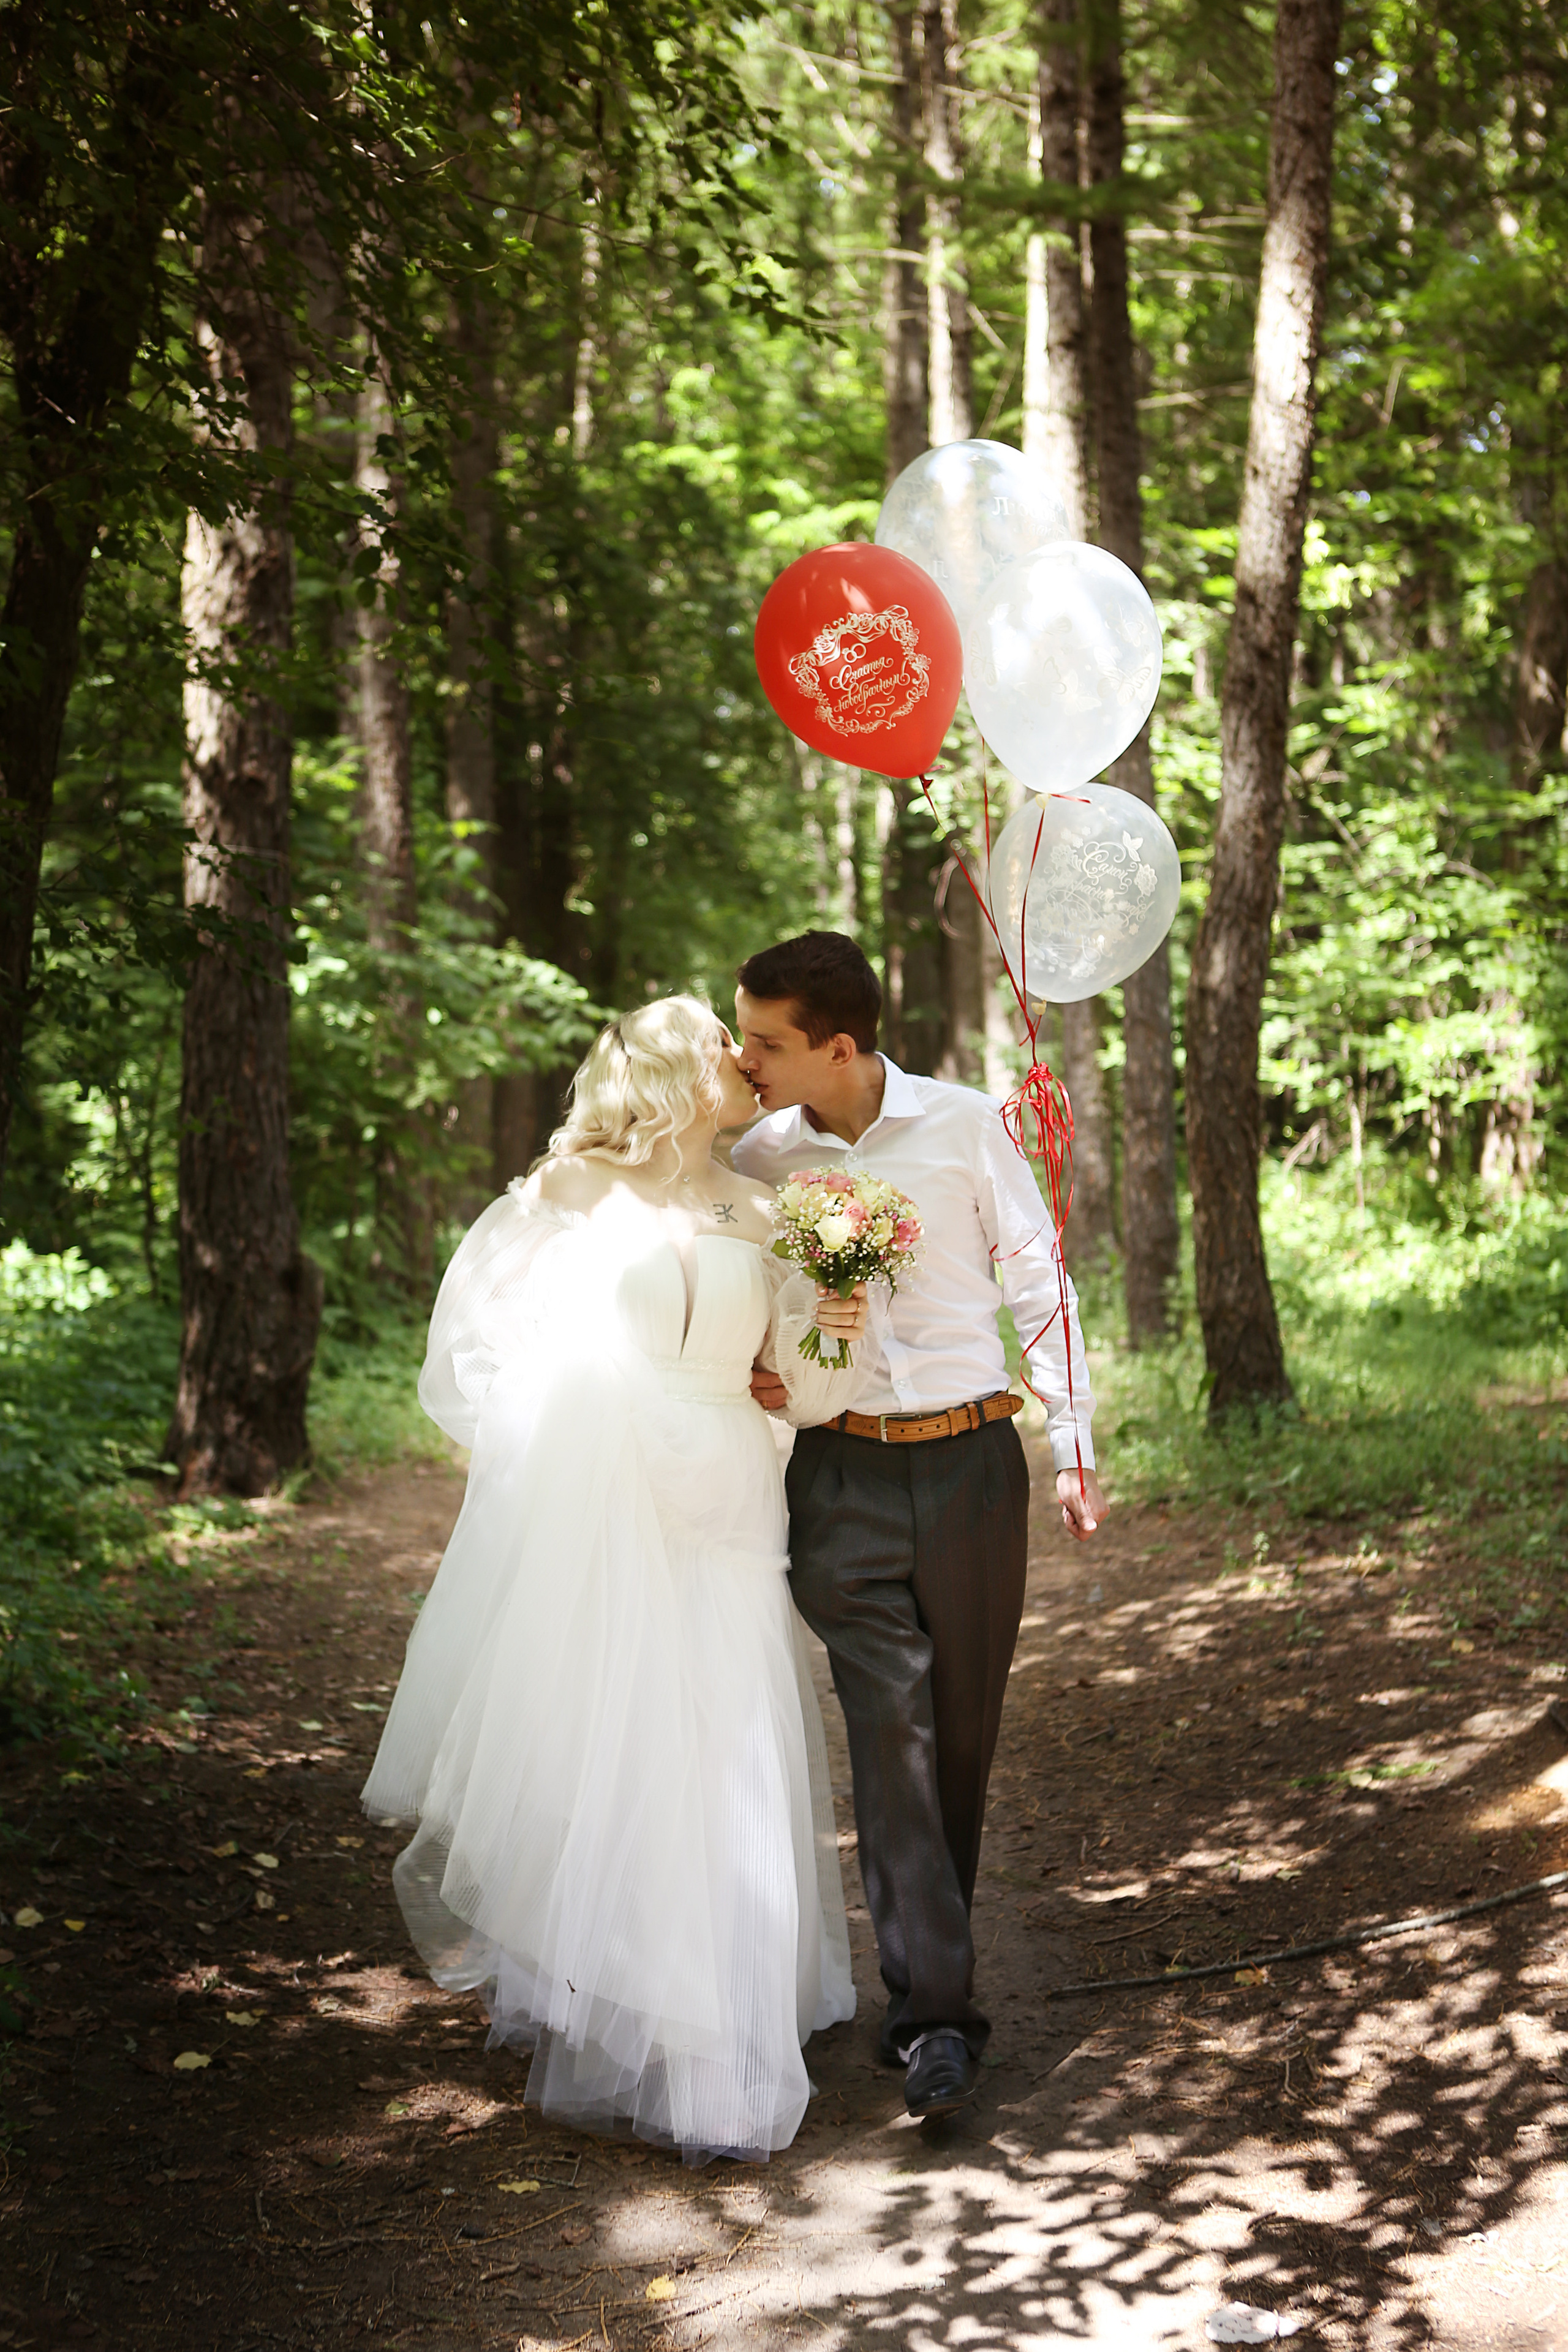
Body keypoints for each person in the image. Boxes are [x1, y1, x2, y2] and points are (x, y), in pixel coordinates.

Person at [363, 997, 870, 2165]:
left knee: (729, 1732)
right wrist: (558, 1432)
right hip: (617, 1498)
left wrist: (835, 1313)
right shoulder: (572, 1193)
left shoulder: (769, 1206)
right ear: (677, 1077)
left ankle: (730, 2009)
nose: (748, 1065)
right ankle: (634, 2009)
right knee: (627, 1733)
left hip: (731, 1498)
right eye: (725, 1053)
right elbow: (474, 1340)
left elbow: (811, 1384)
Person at [731, 930, 1107, 2123]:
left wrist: (1070, 1438)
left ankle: (927, 1973)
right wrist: (747, 1365)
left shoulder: (959, 1125)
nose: (743, 1060)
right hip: (836, 1482)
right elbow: (728, 1294)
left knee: (958, 1737)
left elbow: (1038, 1271)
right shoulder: (754, 1159)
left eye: (764, 1041)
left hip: (972, 1470)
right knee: (886, 1727)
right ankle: (935, 2019)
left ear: (836, 1047)